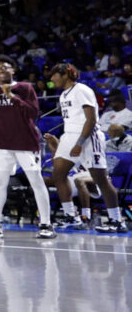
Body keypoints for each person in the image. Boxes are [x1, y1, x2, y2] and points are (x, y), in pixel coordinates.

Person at [0, 55, 55, 239]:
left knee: (36, 182)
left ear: (13, 70)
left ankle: (46, 224)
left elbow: (33, 112)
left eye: (4, 67)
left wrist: (11, 96)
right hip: (1, 143)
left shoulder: (24, 87)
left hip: (25, 142)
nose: (0, 70)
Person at [49, 63, 127, 233]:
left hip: (88, 137)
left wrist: (79, 142)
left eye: (54, 75)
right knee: (58, 175)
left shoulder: (82, 90)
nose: (51, 79)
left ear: (65, 75)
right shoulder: (63, 95)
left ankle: (117, 220)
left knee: (101, 180)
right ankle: (71, 216)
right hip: (68, 136)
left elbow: (90, 120)